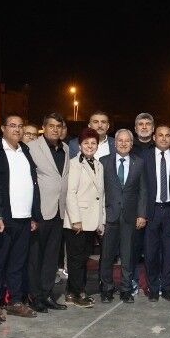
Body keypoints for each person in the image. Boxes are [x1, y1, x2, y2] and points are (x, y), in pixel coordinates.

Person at [0, 115, 41, 317]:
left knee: (18, 263)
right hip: (4, 217)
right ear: (3, 128)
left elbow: (32, 183)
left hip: (24, 217)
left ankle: (15, 301)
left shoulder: (25, 150)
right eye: (12, 126)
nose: (17, 129)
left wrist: (33, 214)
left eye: (20, 126)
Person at [26, 113, 71, 312]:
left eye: (58, 126)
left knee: (51, 258)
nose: (55, 129)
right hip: (40, 210)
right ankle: (34, 296)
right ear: (43, 127)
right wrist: (31, 212)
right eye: (51, 126)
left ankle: (46, 294)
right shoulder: (32, 147)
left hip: (59, 211)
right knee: (36, 257)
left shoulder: (66, 148)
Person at [100, 129, 149, 302]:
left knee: (128, 256)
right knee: (107, 256)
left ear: (131, 143)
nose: (123, 143)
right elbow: (99, 191)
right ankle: (106, 289)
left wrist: (142, 214)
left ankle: (126, 289)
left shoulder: (139, 163)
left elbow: (143, 191)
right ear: (115, 143)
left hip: (130, 217)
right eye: (120, 140)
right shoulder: (103, 162)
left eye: (127, 141)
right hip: (109, 216)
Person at [142, 124, 170, 301]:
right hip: (151, 211)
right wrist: (141, 213)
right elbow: (141, 187)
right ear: (154, 137)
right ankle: (153, 289)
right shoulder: (145, 156)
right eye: (160, 135)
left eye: (167, 135)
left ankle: (169, 288)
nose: (163, 138)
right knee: (151, 253)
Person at [63, 129, 104, 307]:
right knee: (76, 260)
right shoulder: (74, 164)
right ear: (79, 145)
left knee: (82, 258)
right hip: (77, 220)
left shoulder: (99, 164)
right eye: (86, 143)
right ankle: (77, 293)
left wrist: (101, 220)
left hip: (91, 220)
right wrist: (75, 219)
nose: (90, 146)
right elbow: (70, 193)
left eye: (93, 143)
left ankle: (72, 292)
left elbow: (101, 195)